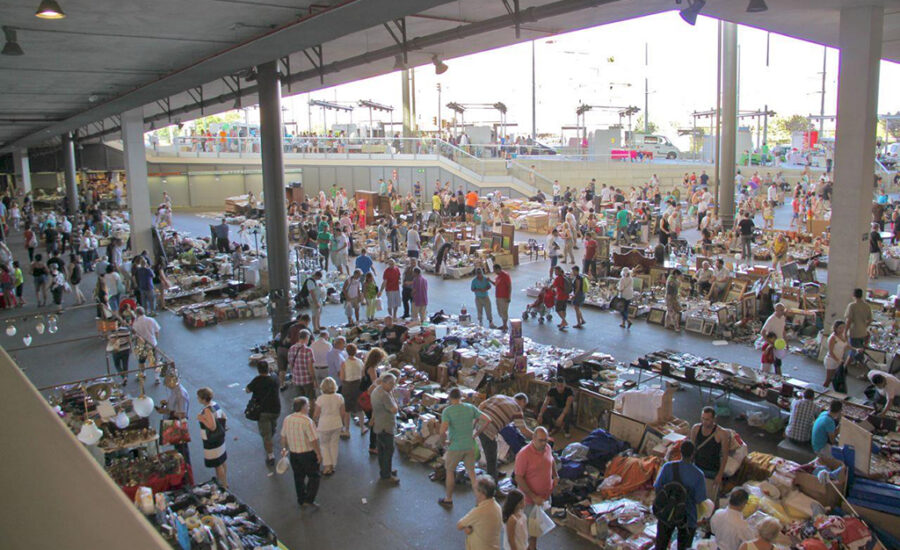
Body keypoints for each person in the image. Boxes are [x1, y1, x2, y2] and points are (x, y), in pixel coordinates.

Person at [438, 387, 491, 508]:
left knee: (450, 471)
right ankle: (479, 502)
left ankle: (448, 499)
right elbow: (488, 420)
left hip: (455, 446)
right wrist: (476, 434)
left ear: (450, 398)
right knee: (472, 474)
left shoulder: (447, 411)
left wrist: (444, 442)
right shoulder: (470, 407)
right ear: (461, 397)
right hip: (469, 445)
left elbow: (442, 431)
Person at [653, 441, 707, 550]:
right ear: (693, 454)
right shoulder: (698, 475)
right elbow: (699, 499)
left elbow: (657, 487)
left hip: (667, 512)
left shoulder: (668, 467)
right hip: (687, 516)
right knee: (684, 547)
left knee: (660, 545)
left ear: (680, 452)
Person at [514, 427, 557, 550]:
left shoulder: (547, 448)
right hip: (529, 501)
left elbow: (551, 460)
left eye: (546, 440)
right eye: (541, 440)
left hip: (544, 498)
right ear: (533, 439)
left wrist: (555, 475)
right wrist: (533, 496)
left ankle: (532, 547)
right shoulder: (524, 454)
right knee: (528, 529)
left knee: (535, 527)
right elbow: (519, 478)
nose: (544, 443)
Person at [477, 393, 533, 480]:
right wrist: (538, 436)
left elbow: (481, 405)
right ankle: (492, 486)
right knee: (491, 456)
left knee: (492, 451)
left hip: (478, 425)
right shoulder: (517, 408)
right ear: (522, 401)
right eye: (524, 405)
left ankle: (494, 472)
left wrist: (478, 420)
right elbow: (524, 430)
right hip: (487, 430)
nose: (523, 408)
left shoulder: (500, 396)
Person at [280, 397, 323, 508]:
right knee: (314, 476)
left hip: (294, 454)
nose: (309, 408)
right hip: (307, 454)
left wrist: (284, 449)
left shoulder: (287, 419)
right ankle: (309, 499)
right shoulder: (307, 421)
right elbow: (313, 440)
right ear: (303, 407)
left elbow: (283, 437)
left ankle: (301, 499)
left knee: (298, 477)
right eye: (308, 406)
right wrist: (318, 453)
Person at [246, 363, 281, 466]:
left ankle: (270, 455)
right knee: (272, 428)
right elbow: (275, 376)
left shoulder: (257, 380)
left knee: (266, 436)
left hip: (263, 411)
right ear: (268, 368)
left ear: (258, 370)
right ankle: (271, 437)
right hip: (275, 409)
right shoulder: (275, 379)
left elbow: (247, 390)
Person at [456, 476, 503, 550]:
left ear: (482, 493)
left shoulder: (479, 511)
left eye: (475, 489)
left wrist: (468, 527)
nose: (473, 490)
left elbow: (459, 525)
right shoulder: (497, 507)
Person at [690, 406, 730, 488]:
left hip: (712, 471)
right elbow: (691, 448)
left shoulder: (721, 433)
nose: (704, 421)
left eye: (707, 419)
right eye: (703, 418)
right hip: (697, 467)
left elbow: (725, 456)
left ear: (714, 419)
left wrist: (719, 475)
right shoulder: (696, 428)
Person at [314, 377, 347, 476]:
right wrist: (341, 423)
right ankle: (333, 465)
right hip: (336, 424)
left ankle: (327, 466)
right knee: (334, 445)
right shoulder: (339, 397)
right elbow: (343, 412)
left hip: (324, 425)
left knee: (324, 445)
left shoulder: (320, 399)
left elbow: (316, 414)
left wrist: (315, 422)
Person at [371, 372, 400, 484]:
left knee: (382, 449)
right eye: (391, 384)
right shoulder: (384, 395)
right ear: (384, 383)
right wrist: (394, 399)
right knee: (388, 450)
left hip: (379, 424)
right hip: (386, 426)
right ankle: (386, 475)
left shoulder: (376, 390)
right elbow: (394, 409)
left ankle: (385, 469)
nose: (393, 386)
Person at [156, 373, 191, 464]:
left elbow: (182, 414)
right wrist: (167, 404)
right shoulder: (175, 390)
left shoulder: (181, 394)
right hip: (173, 420)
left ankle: (186, 469)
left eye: (167, 383)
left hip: (177, 423)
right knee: (177, 446)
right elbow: (174, 404)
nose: (166, 385)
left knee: (182, 450)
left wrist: (167, 411)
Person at [197, 387, 228, 488]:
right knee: (222, 460)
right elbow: (224, 417)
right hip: (220, 438)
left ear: (203, 399)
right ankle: (224, 481)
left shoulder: (207, 410)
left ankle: (222, 484)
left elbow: (212, 426)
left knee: (217, 464)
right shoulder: (215, 405)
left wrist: (202, 419)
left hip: (212, 439)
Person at [339, 343, 365, 436]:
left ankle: (347, 430)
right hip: (358, 386)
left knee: (347, 410)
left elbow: (342, 377)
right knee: (359, 408)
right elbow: (363, 375)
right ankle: (362, 428)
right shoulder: (360, 362)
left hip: (348, 386)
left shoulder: (344, 363)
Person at [844, 288, 873, 357]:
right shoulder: (867, 306)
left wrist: (845, 331)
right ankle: (858, 362)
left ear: (853, 295)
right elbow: (870, 319)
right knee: (859, 350)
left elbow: (849, 320)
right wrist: (865, 326)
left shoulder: (852, 306)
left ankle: (845, 366)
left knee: (853, 351)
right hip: (863, 332)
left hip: (854, 332)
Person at [288, 329, 316, 400]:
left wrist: (293, 375)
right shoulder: (308, 350)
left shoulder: (291, 348)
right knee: (310, 399)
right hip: (307, 380)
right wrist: (314, 379)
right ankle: (310, 411)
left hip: (296, 379)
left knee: (300, 400)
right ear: (307, 338)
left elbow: (291, 364)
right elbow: (310, 367)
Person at [760, 303, 787, 374]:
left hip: (779, 344)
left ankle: (779, 379)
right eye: (781, 310)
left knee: (778, 364)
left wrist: (786, 342)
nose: (783, 311)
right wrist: (770, 343)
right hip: (772, 343)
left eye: (783, 310)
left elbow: (783, 330)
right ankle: (763, 378)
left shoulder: (783, 318)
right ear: (776, 310)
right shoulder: (771, 319)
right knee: (767, 363)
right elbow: (762, 332)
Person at [824, 320, 849, 388]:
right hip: (831, 360)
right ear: (835, 328)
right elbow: (831, 352)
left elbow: (846, 346)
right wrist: (837, 360)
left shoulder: (843, 336)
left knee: (835, 378)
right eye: (840, 328)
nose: (842, 329)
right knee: (828, 379)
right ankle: (821, 391)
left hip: (839, 360)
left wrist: (856, 349)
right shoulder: (833, 338)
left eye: (844, 327)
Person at [490, 264, 512, 331]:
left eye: (494, 270)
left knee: (504, 311)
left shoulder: (505, 275)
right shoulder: (497, 276)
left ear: (498, 269)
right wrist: (490, 281)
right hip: (498, 296)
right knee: (500, 311)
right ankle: (504, 324)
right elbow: (496, 284)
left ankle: (505, 325)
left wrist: (509, 296)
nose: (494, 271)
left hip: (504, 296)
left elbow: (509, 286)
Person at [551, 266, 569, 330]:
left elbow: (553, 286)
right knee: (564, 309)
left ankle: (564, 321)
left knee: (558, 309)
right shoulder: (565, 276)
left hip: (560, 296)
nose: (554, 272)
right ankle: (563, 323)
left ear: (558, 271)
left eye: (555, 271)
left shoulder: (558, 278)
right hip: (566, 295)